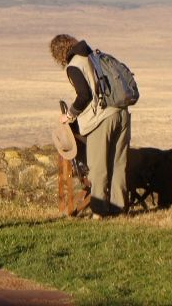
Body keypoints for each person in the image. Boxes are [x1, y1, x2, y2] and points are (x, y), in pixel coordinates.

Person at [50, 34, 131, 218]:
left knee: (98, 166)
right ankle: (120, 209)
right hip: (122, 113)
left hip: (102, 118)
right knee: (119, 163)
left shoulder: (74, 65)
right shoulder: (93, 56)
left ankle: (99, 211)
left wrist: (69, 115)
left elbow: (84, 95)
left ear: (58, 54)